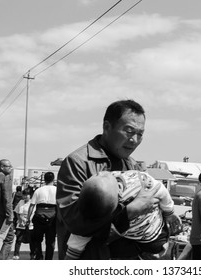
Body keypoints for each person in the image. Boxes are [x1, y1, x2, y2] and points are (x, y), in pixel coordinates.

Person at [56, 99, 160, 260]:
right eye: (129, 131)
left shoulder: (134, 166)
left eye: (140, 134)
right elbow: (74, 222)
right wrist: (127, 213)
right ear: (107, 127)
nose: (134, 140)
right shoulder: (78, 163)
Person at [65, 170, 181, 260]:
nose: (102, 173)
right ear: (119, 189)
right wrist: (169, 212)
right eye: (101, 174)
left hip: (136, 234)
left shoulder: (95, 215)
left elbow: (78, 239)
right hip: (151, 235)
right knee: (156, 247)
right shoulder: (136, 183)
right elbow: (160, 189)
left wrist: (71, 256)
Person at [26, 172, 57, 260]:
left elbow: (32, 205)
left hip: (39, 217)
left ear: (44, 179)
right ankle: (48, 259)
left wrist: (28, 219)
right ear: (53, 179)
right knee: (50, 241)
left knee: (37, 240)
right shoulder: (57, 190)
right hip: (53, 217)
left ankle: (39, 256)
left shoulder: (38, 190)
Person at [13, 189, 32, 260]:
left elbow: (33, 213)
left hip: (29, 223)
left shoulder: (32, 203)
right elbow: (17, 212)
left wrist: (28, 221)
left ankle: (32, 254)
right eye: (24, 195)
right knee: (18, 239)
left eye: (27, 195)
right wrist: (20, 220)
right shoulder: (21, 202)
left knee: (31, 240)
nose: (25, 196)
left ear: (30, 195)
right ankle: (16, 254)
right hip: (20, 223)